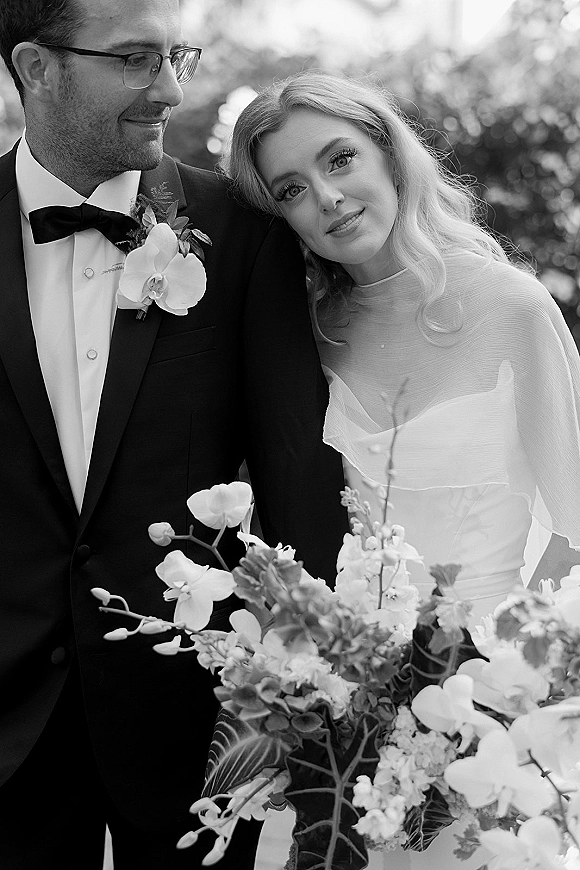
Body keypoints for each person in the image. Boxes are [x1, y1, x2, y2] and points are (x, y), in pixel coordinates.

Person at [0, 6, 348, 868]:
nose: (172, 89)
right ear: (37, 68)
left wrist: (310, 694)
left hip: (200, 718)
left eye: (175, 56)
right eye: (134, 60)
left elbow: (294, 468)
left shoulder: (245, 235)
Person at [224, 70, 580, 869]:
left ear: (389, 153)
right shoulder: (311, 335)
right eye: (291, 188)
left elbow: (577, 527)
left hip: (498, 705)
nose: (327, 197)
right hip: (353, 715)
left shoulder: (513, 307)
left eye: (340, 159)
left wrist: (511, 688)